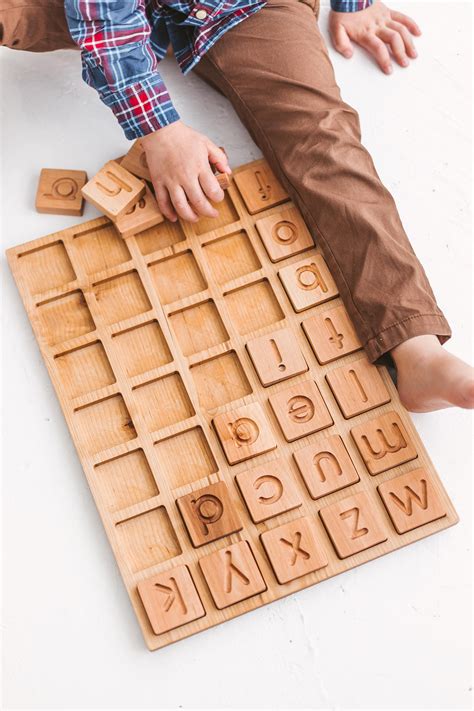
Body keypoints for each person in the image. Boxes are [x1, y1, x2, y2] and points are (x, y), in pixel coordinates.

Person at [1, 0, 473, 412]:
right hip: (103, 8)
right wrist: (161, 131)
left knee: (326, 144)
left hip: (245, 9)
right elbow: (104, 20)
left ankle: (418, 350)